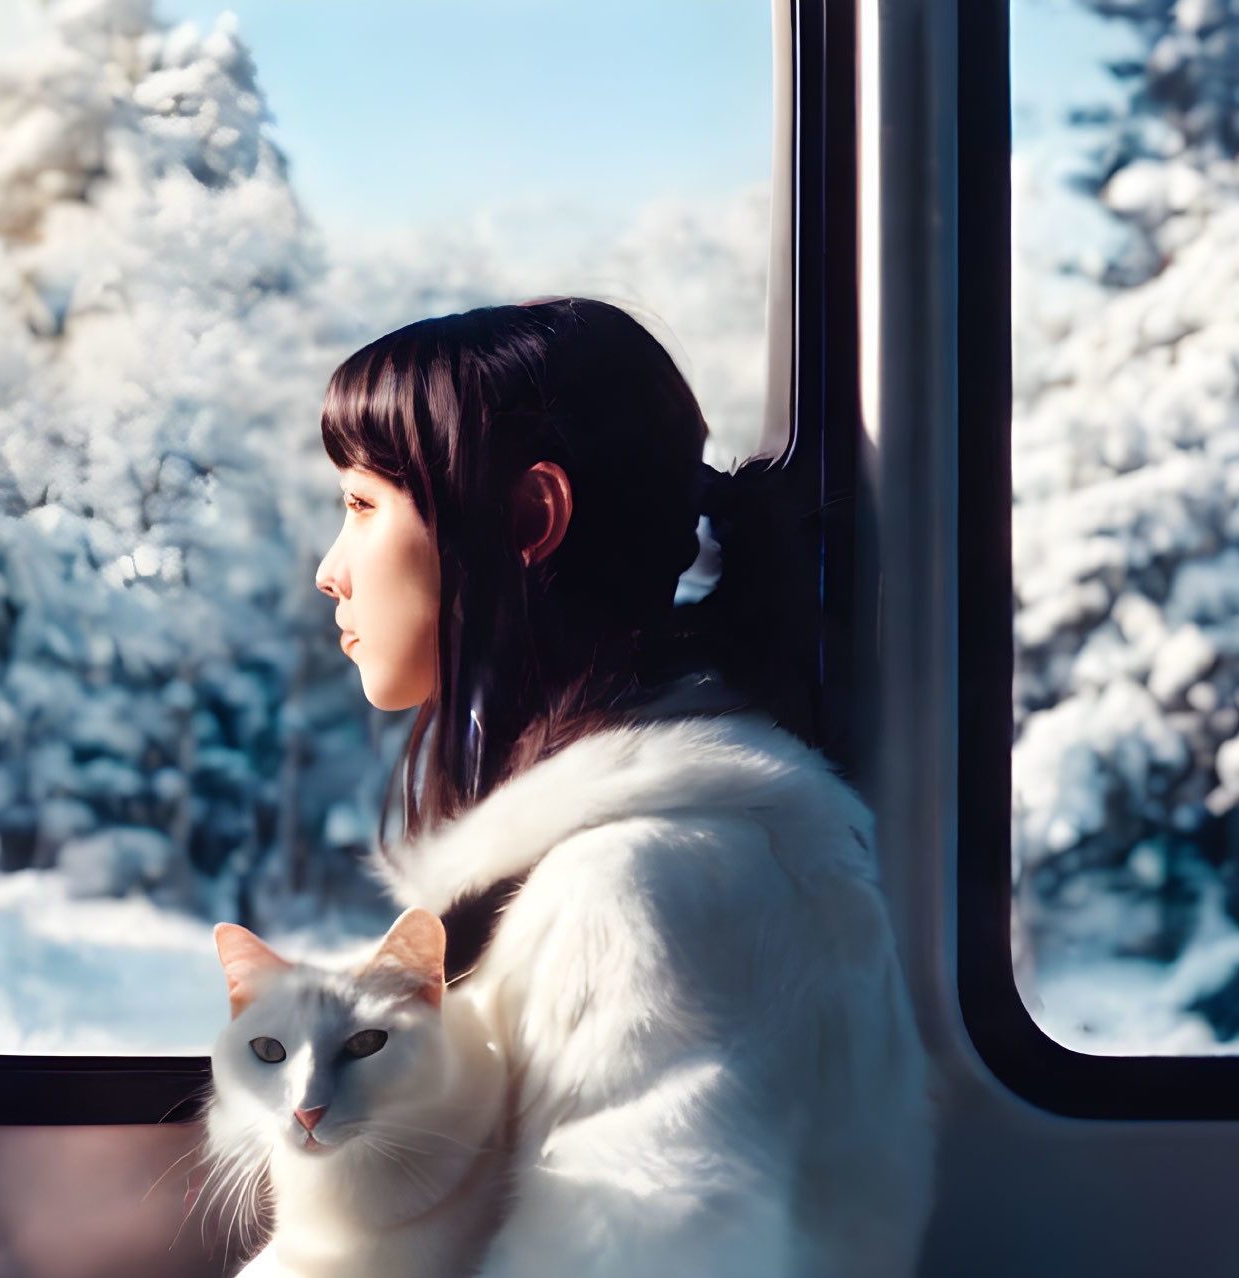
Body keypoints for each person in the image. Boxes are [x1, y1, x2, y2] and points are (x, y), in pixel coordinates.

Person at [312, 298, 934, 1277]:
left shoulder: (638, 890)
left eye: (358, 505)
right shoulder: (637, 858)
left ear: (528, 517)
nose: (328, 571)